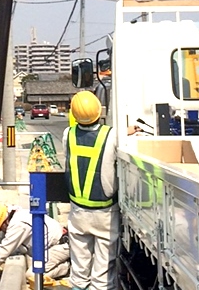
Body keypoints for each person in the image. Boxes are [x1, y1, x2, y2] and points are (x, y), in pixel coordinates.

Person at [63, 90, 120, 290]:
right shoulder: (111, 134)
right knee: (104, 266)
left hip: (78, 210)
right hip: (105, 211)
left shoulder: (67, 134)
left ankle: (79, 286)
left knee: (79, 264)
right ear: (98, 110)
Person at [0, 204, 70, 279]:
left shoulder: (17, 224)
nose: (2, 231)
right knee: (30, 266)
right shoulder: (18, 215)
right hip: (52, 246)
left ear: (4, 222)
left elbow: (6, 248)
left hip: (60, 246)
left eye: (1, 228)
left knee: (32, 276)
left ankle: (67, 268)